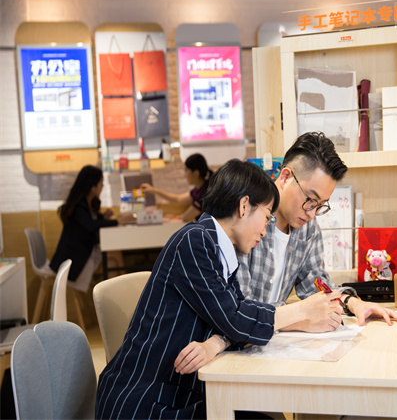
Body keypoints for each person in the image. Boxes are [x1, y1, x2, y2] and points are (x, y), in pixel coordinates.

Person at [95, 159, 342, 419]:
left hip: (179, 393)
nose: (265, 229)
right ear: (244, 206)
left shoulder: (221, 252)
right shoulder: (194, 240)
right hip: (144, 402)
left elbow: (237, 314)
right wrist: (301, 311)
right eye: (267, 216)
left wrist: (216, 343)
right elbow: (234, 318)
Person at [236, 131, 397, 330]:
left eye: (321, 205)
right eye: (310, 200)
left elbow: (314, 284)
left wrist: (353, 303)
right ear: (285, 177)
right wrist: (300, 320)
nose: (312, 213)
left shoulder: (307, 228)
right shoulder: (246, 216)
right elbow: (240, 308)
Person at [50, 165, 128, 291]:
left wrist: (103, 217)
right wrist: (117, 221)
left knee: (113, 259)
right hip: (75, 260)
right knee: (113, 260)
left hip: (84, 254)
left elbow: (91, 222)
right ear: (92, 186)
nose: (102, 186)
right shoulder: (79, 207)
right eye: (101, 183)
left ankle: (125, 294)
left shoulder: (86, 204)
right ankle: (126, 293)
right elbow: (91, 225)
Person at [141, 153, 213, 222]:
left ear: (196, 173)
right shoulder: (199, 190)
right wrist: (153, 190)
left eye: (186, 171)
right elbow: (178, 199)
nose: (184, 175)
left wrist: (175, 217)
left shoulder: (205, 192)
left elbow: (186, 217)